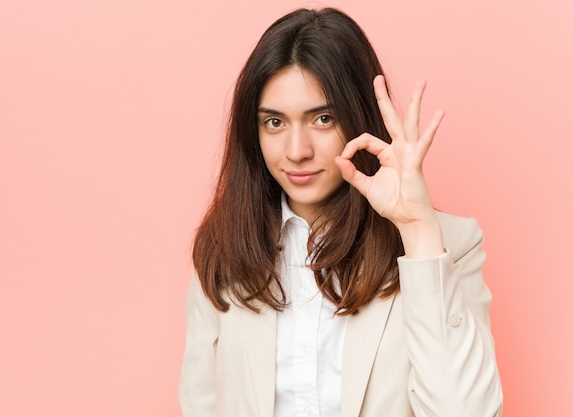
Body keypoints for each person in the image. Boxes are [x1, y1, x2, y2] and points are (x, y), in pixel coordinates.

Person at [179, 7, 503, 417]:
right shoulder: (224, 247)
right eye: (275, 122)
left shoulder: (449, 246)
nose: (297, 151)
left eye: (323, 118)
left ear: (359, 119)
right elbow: (200, 403)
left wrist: (417, 231)